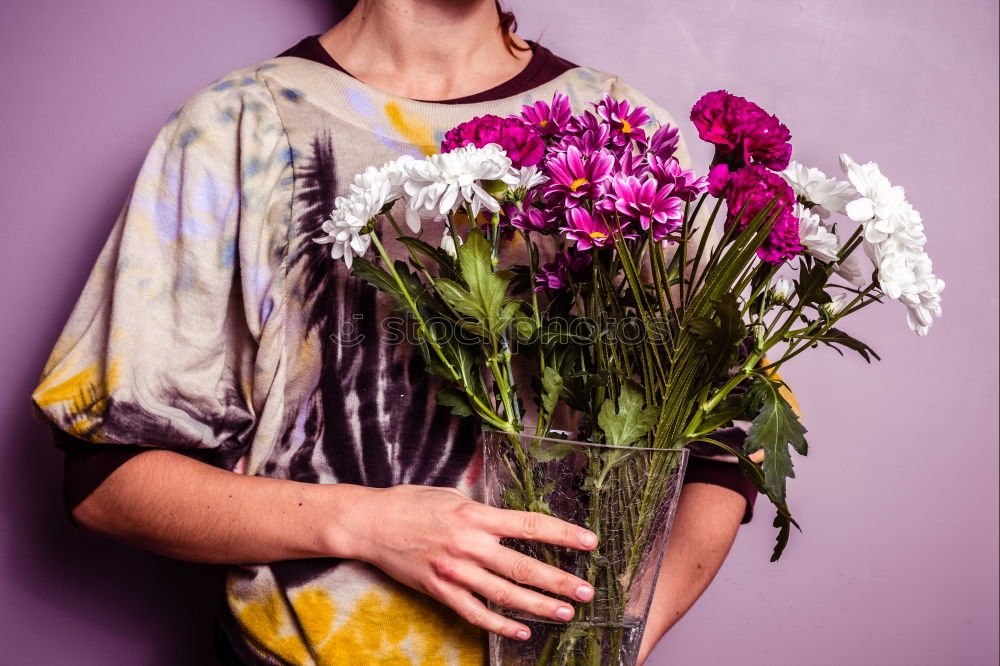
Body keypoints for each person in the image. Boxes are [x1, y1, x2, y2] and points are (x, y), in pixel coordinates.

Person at [30, 1, 762, 663]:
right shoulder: (240, 126)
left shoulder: (623, 130)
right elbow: (106, 483)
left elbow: (730, 440)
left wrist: (622, 640)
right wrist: (364, 524)